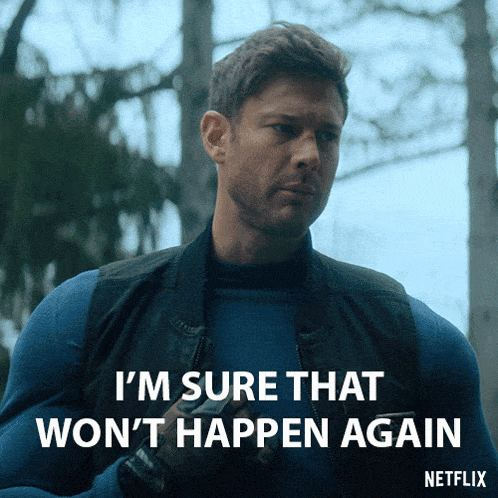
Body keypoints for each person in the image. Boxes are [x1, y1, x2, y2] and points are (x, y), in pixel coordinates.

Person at [0, 21, 496, 498]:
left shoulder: (414, 341)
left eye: (328, 135)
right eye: (285, 128)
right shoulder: (85, 318)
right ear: (217, 137)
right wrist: (144, 475)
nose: (310, 155)